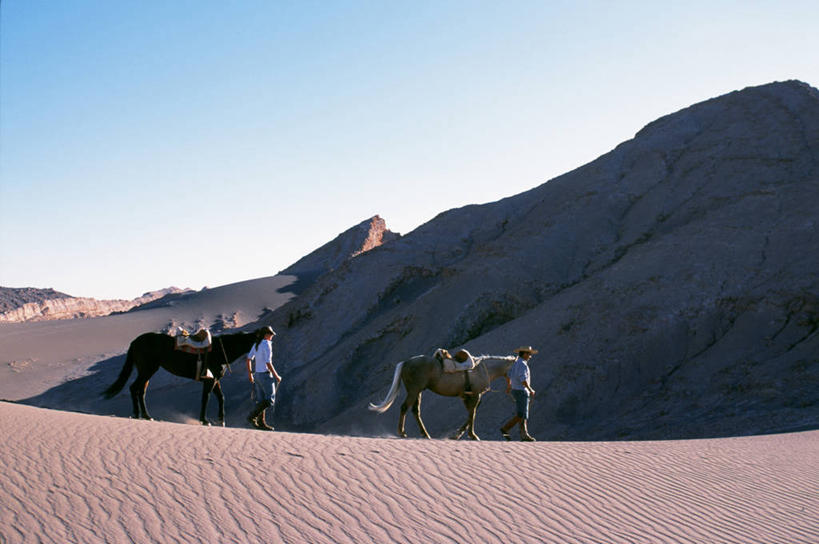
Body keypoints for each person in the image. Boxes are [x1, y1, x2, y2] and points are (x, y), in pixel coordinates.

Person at [246, 326, 282, 431]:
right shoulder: (267, 345)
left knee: (261, 400)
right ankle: (252, 416)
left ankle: (261, 423)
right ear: (266, 335)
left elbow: (248, 359)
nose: (272, 336)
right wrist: (276, 376)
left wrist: (250, 374)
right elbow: (268, 362)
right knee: (270, 400)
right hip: (265, 375)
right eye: (270, 334)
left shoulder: (256, 344)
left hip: (257, 375)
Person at [500, 346, 538, 441]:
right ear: (524, 354)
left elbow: (508, 375)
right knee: (521, 414)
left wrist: (509, 386)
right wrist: (530, 389)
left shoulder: (516, 363)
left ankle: (524, 434)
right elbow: (523, 379)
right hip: (521, 391)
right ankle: (506, 428)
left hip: (516, 390)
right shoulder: (523, 365)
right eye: (529, 354)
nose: (530, 356)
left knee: (523, 414)